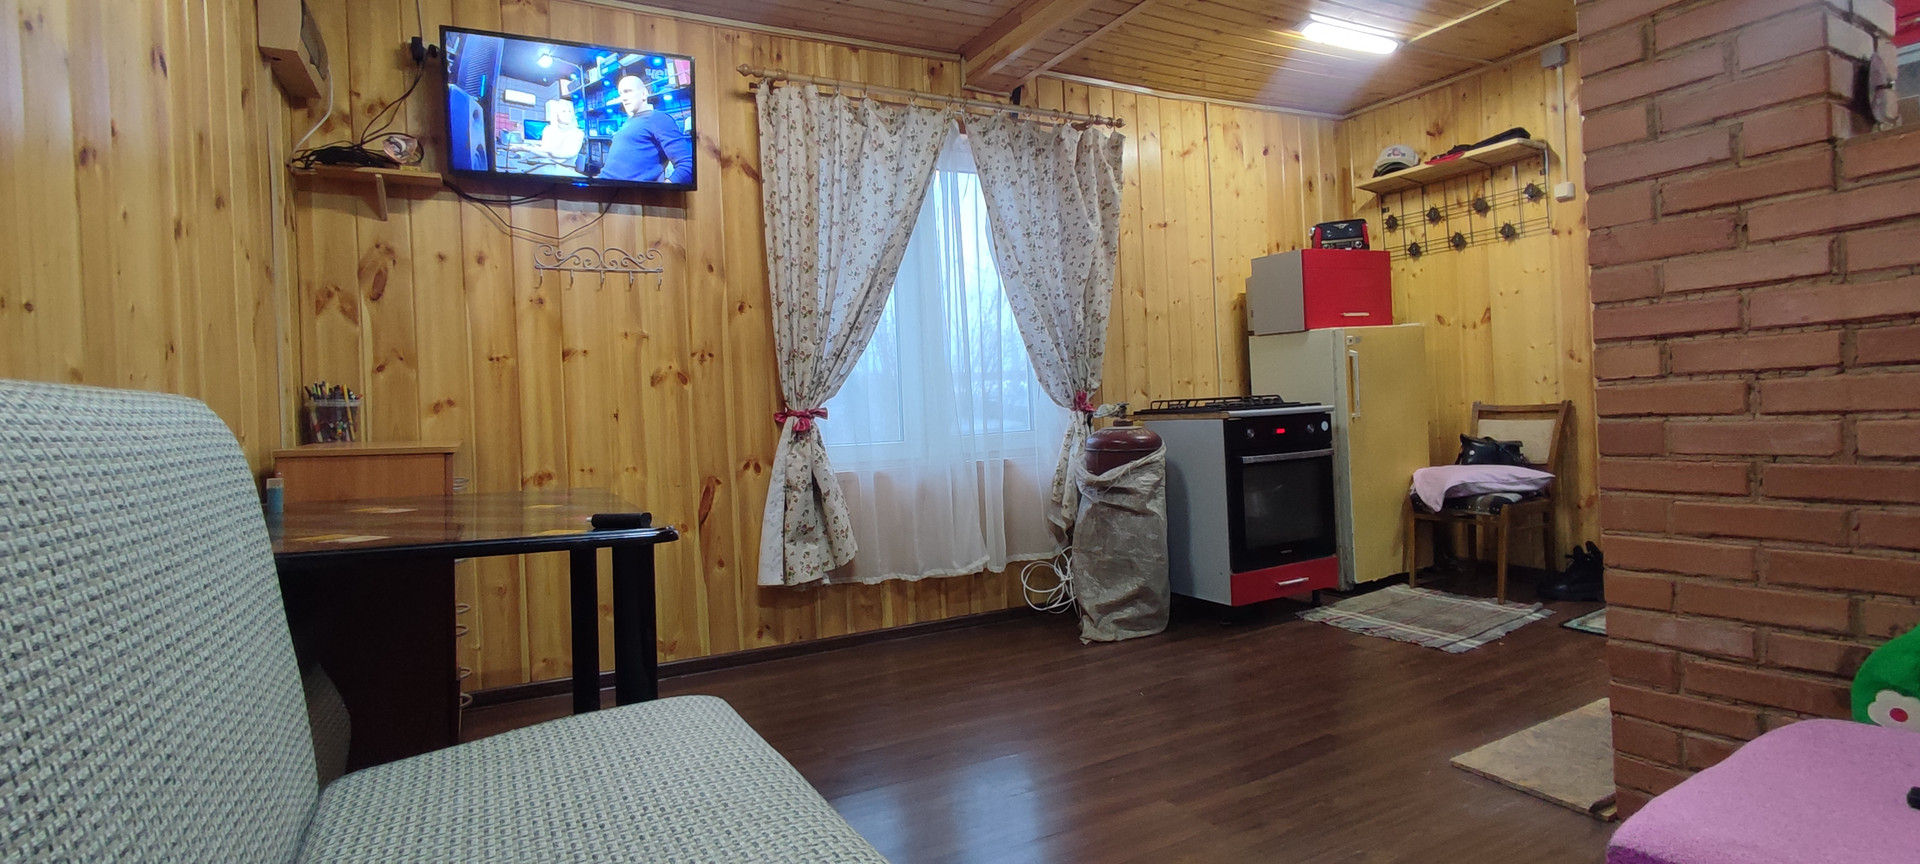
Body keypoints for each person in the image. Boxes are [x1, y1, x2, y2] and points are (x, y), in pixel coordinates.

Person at [598, 74, 692, 184]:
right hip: (601, 184)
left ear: (643, 94)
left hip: (624, 191)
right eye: (621, 93)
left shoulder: (658, 118)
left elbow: (687, 164)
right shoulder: (628, 123)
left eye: (628, 91)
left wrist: (664, 189)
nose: (623, 98)